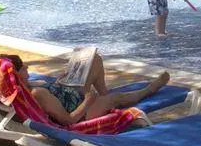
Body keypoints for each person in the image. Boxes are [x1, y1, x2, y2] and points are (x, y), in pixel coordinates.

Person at [9, 53, 170, 125]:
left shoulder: (30, 86)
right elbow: (68, 120)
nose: (27, 66)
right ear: (16, 74)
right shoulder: (37, 93)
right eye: (22, 67)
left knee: (94, 59)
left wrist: (59, 82)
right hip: (82, 112)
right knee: (118, 98)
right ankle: (149, 89)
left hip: (72, 94)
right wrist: (88, 101)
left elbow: (55, 98)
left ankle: (104, 97)